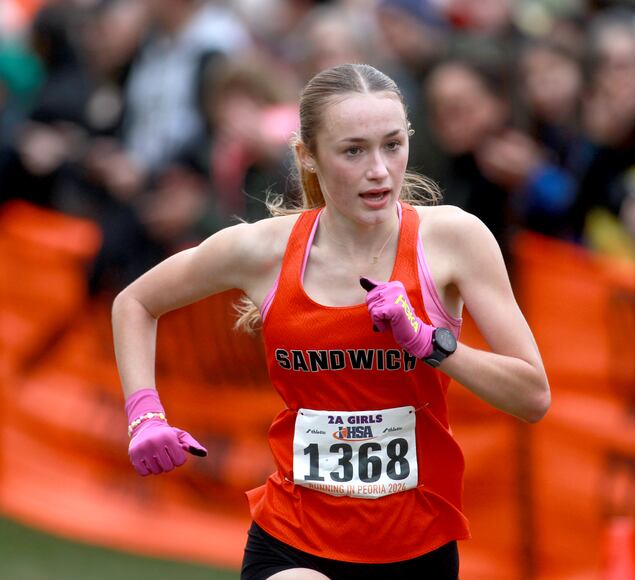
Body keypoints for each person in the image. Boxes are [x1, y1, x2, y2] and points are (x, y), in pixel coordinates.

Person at [111, 63, 550, 580]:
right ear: (308, 157)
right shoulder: (263, 249)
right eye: (353, 150)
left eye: (392, 144)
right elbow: (135, 303)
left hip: (417, 547)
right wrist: (145, 414)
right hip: (294, 539)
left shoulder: (453, 239)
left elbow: (533, 396)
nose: (381, 170)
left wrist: (432, 343)